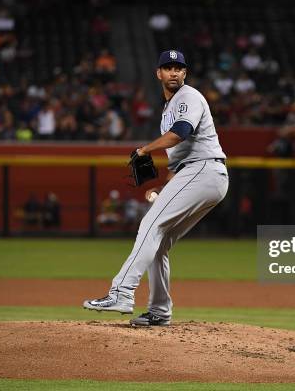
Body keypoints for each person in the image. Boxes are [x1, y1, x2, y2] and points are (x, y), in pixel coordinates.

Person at [83, 50, 229, 326]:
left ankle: (121, 293)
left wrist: (143, 150)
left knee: (150, 225)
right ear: (158, 73)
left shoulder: (188, 97)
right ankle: (160, 311)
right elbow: (177, 162)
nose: (174, 72)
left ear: (185, 74)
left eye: (179, 68)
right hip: (202, 174)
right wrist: (166, 189)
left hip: (204, 169)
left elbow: (181, 132)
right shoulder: (167, 109)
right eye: (168, 67)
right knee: (158, 241)